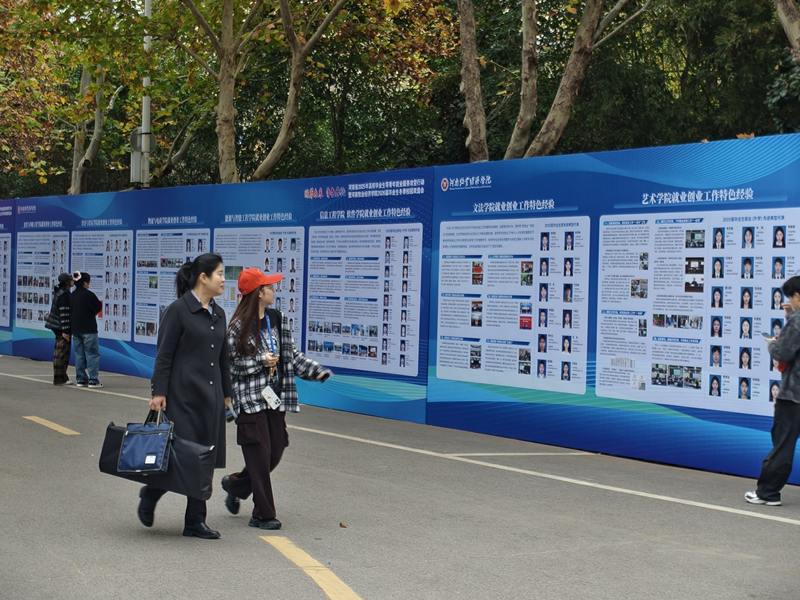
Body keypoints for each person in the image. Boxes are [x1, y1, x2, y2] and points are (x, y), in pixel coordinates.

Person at [221, 269, 331, 531]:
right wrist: (262, 360)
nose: (274, 290)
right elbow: (232, 365)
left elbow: (291, 355)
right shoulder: (238, 326)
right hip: (250, 400)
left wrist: (316, 371)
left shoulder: (277, 319)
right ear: (258, 293)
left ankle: (236, 485)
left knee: (275, 451)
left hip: (274, 398)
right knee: (259, 455)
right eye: (269, 286)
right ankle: (262, 514)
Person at [138, 253, 232, 539]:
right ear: (203, 277)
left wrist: (227, 395)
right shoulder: (177, 311)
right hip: (183, 398)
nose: (224, 279)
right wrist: (159, 392)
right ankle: (152, 492)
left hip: (211, 398)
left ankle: (194, 522)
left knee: (205, 459)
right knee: (182, 457)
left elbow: (223, 358)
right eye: (219, 274)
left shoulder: (219, 313)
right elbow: (164, 356)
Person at [746, 276, 800, 505]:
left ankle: (767, 492)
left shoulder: (797, 320)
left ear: (797, 296)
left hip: (794, 395)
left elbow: (783, 353)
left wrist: (772, 343)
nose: (791, 302)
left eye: (791, 298)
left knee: (783, 444)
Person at [70, 272, 103, 388]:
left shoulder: (72, 295)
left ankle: (81, 379)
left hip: (75, 329)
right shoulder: (89, 295)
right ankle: (93, 380)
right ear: (85, 283)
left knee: (79, 354)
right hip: (89, 328)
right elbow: (98, 307)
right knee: (92, 354)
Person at [45, 273, 74, 385]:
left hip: (56, 326)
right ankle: (59, 378)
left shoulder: (59, 292)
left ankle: (62, 377)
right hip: (61, 327)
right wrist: (65, 331)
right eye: (71, 279)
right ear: (67, 282)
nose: (73, 281)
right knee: (62, 354)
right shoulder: (64, 295)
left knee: (59, 352)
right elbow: (64, 313)